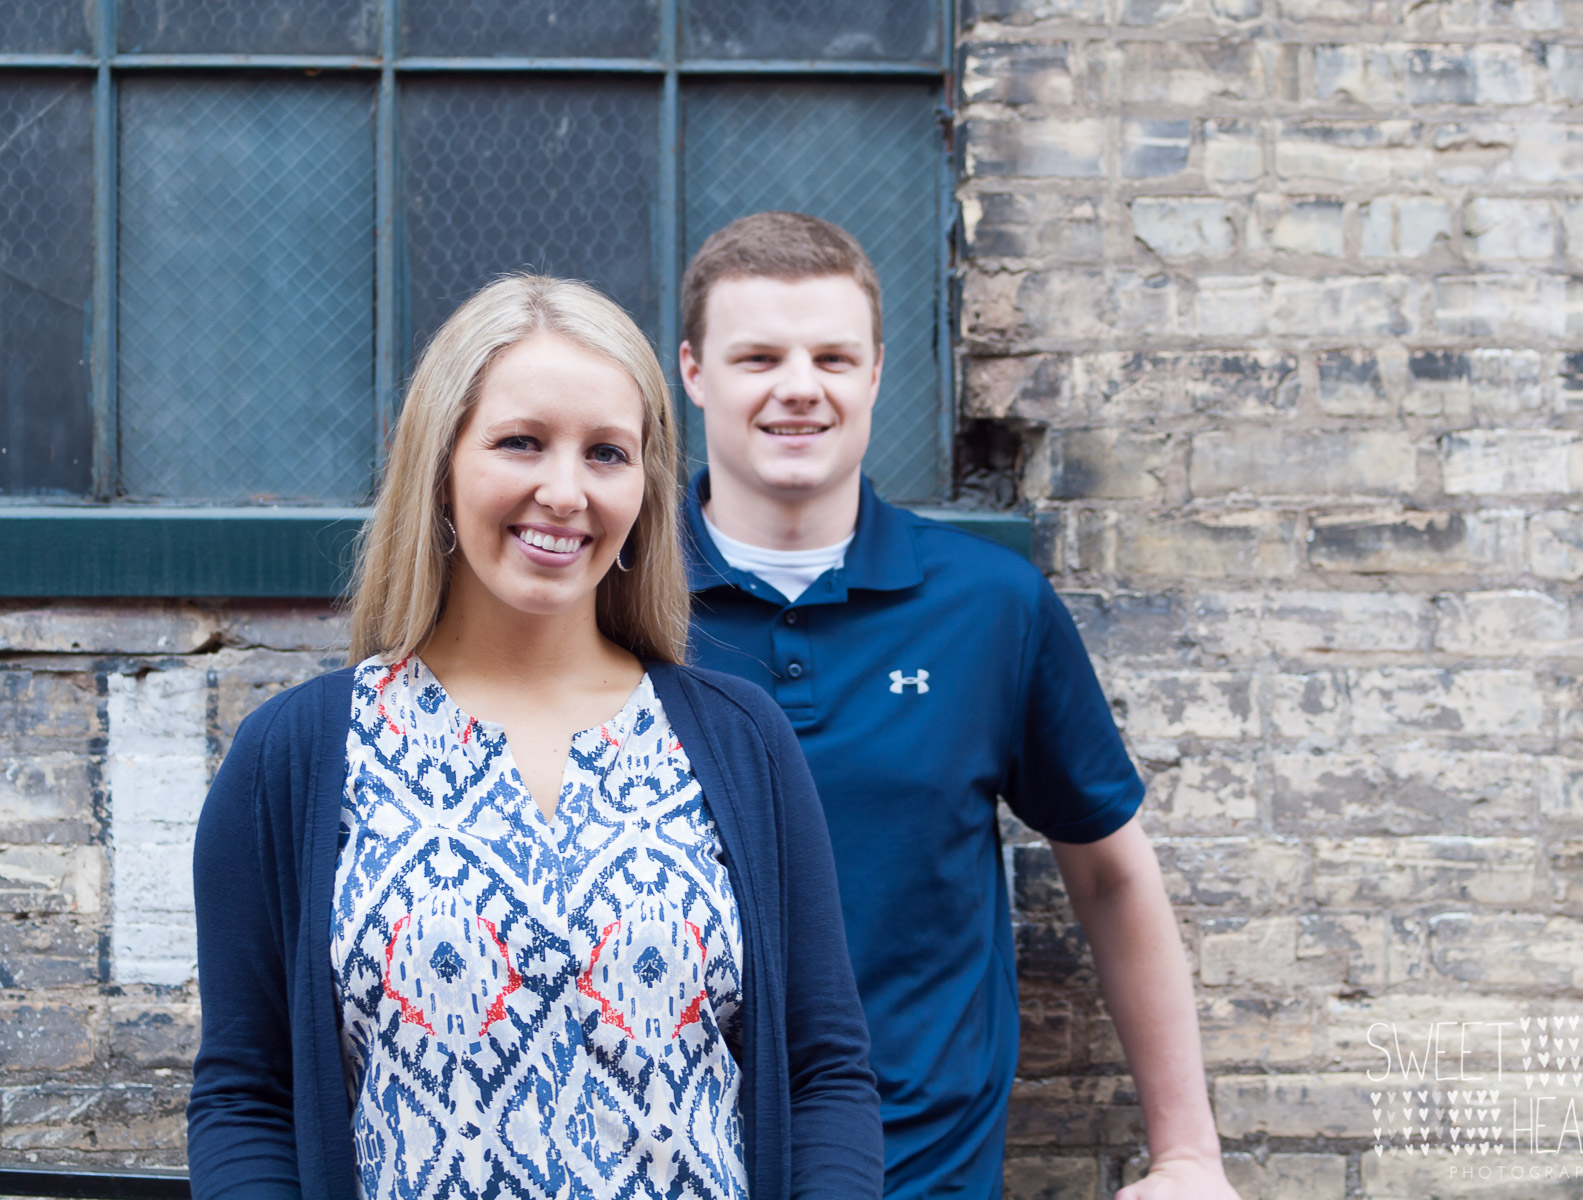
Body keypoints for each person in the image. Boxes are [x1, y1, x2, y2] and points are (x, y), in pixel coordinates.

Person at [187, 274, 882, 1200]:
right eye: (521, 443)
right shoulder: (299, 755)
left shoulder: (739, 740)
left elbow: (825, 1072)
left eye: (606, 453)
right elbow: (247, 1095)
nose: (565, 491)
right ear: (439, 463)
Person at [676, 213, 1238, 1200]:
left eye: (833, 356)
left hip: (918, 1169)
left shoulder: (989, 607)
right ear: (693, 372)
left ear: (878, 373)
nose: (799, 387)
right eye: (758, 355)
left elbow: (1109, 875)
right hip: (658, 1159)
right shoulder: (612, 602)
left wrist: (1188, 1155)